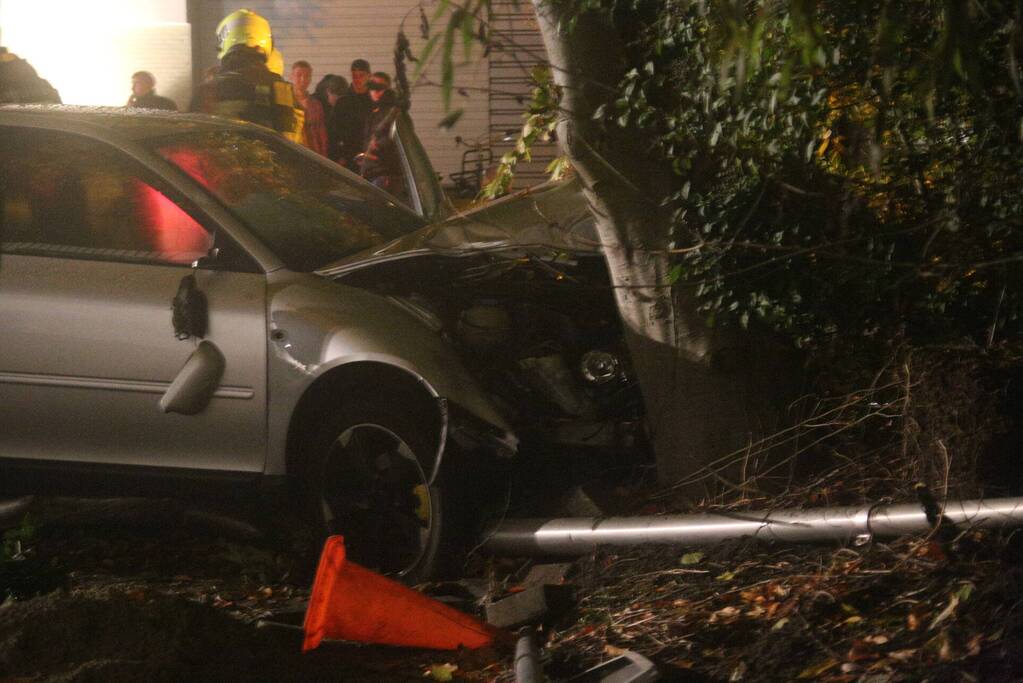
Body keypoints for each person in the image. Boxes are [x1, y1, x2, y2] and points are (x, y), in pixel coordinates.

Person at [190, 9, 304, 144]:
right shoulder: (285, 91)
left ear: (225, 43)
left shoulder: (209, 90)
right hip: (279, 164)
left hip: (222, 164)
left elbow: (190, 143)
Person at [358, 72, 404, 197]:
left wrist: (377, 149)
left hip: (385, 174)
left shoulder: (393, 112)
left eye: (380, 88)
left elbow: (396, 141)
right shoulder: (373, 113)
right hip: (372, 173)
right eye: (372, 87)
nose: (376, 91)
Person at [332, 58, 373, 169]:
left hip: (372, 157)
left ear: (369, 76)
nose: (357, 79)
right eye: (355, 76)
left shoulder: (375, 101)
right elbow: (335, 132)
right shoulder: (343, 103)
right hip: (349, 158)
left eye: (361, 76)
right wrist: (340, 156)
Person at [290, 60, 329, 157]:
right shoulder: (286, 102)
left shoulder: (316, 105)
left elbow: (322, 134)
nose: (303, 79)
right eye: (299, 75)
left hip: (312, 154)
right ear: (291, 77)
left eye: (307, 76)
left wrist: (323, 157)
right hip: (292, 153)